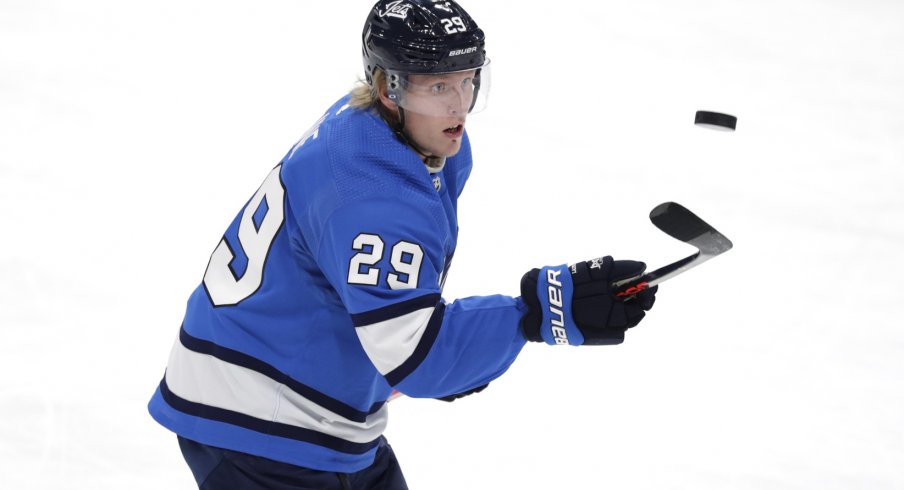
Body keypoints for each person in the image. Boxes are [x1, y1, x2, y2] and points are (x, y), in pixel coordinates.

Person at [147, 1, 658, 488]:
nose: (460, 105)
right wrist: (538, 311)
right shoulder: (372, 195)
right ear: (387, 88)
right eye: (439, 86)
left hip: (304, 403)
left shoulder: (391, 134)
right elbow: (420, 355)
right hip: (261, 424)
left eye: (467, 81)